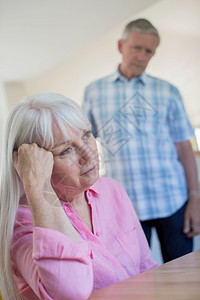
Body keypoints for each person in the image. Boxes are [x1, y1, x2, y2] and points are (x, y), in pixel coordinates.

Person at [0, 93, 157, 300]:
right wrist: (38, 187)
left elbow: (147, 268)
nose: (89, 154)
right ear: (36, 164)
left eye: (86, 135)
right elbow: (70, 291)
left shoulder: (112, 190)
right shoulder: (20, 223)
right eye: (66, 150)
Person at [83, 18, 200, 263]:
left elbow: (184, 147)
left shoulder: (167, 91)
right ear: (120, 46)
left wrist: (195, 198)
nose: (141, 55)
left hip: (173, 201)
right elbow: (85, 145)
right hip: (124, 209)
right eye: (136, 47)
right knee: (134, 282)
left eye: (149, 51)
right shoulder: (94, 91)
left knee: (185, 277)